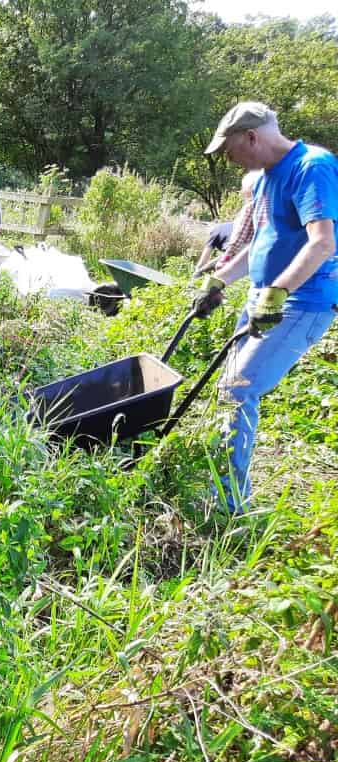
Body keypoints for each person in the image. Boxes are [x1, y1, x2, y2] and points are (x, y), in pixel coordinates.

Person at [190, 101, 338, 512]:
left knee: (238, 390)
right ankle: (220, 482)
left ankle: (229, 504)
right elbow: (260, 243)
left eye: (230, 148)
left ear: (252, 137)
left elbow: (323, 242)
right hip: (263, 294)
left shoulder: (312, 167)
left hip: (301, 301)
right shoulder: (267, 178)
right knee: (230, 388)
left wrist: (277, 293)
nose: (229, 157)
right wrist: (219, 279)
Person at [193, 170, 262, 277]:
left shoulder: (250, 207)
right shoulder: (268, 204)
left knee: (212, 276)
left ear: (248, 190)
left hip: (244, 251)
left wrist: (226, 257)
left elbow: (239, 236)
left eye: (243, 189)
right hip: (261, 252)